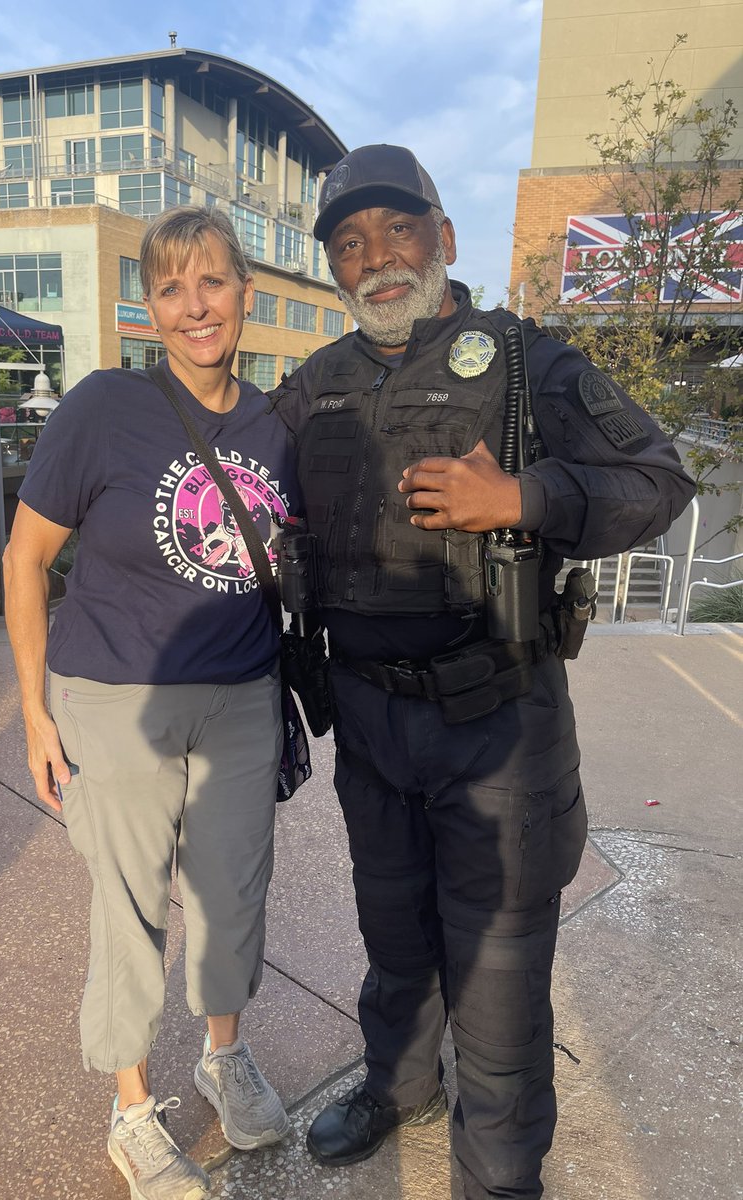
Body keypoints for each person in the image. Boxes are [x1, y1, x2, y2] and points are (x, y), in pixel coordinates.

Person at [270, 145, 696, 1200]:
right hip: (368, 725)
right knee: (393, 932)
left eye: (397, 231)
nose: (376, 260)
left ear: (443, 238)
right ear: (332, 268)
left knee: (500, 981)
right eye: (350, 244)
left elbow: (656, 477)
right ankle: (398, 1082)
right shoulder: (313, 388)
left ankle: (499, 1179)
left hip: (498, 725)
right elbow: (227, 492)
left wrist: (526, 500)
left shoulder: (523, 363)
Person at [3, 206, 299, 1200]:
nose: (194, 306)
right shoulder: (102, 409)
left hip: (242, 703)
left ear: (246, 295)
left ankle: (224, 1053)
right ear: (148, 307)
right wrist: (38, 717)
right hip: (112, 698)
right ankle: (132, 1108)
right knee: (128, 908)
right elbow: (25, 557)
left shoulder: (274, 424)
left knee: (231, 897)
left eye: (211, 281)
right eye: (170, 288)